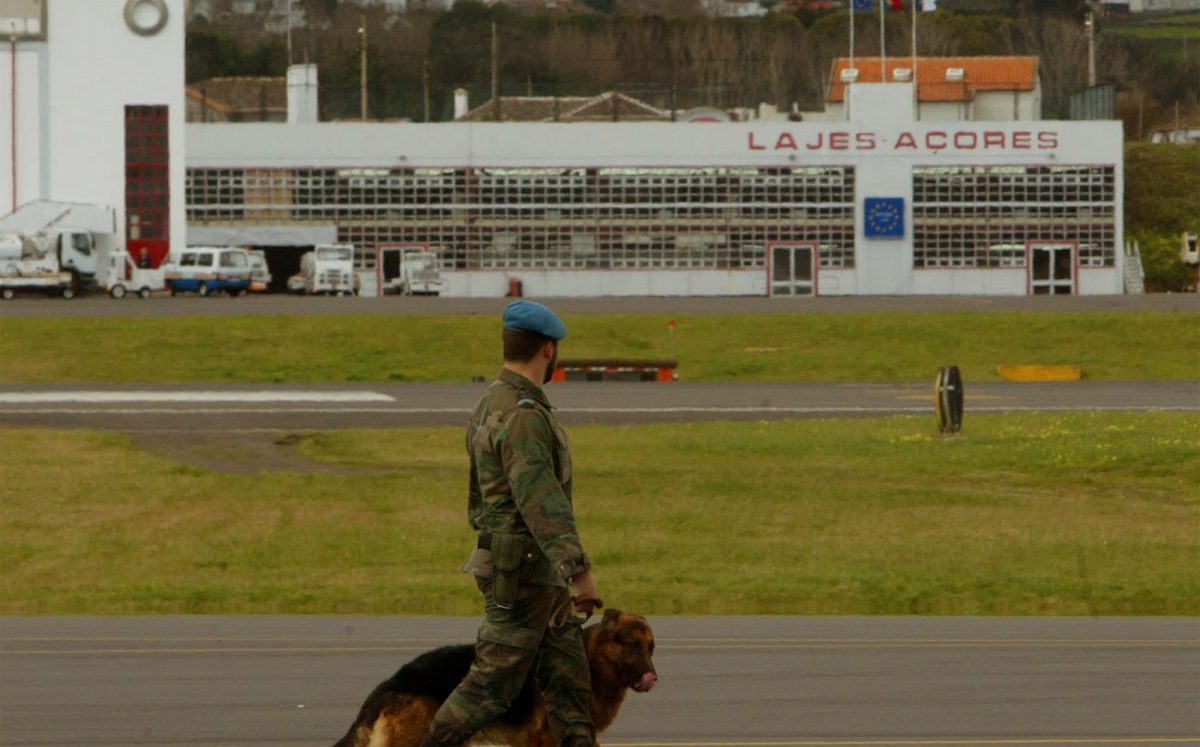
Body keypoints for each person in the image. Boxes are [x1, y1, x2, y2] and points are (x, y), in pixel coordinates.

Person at [420, 300, 602, 747]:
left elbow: (481, 499)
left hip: (530, 570)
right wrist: (578, 573)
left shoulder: (491, 403)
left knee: (570, 689)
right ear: (548, 349)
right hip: (524, 573)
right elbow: (540, 501)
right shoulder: (522, 415)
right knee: (492, 686)